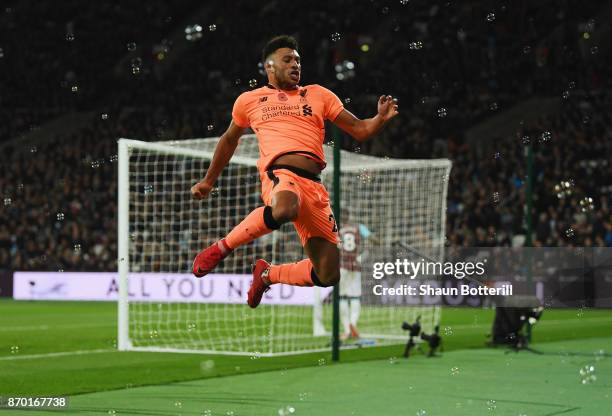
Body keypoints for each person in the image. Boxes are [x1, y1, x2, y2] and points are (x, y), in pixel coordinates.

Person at [190, 35, 398, 308]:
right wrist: (208, 180)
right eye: (287, 59)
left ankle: (267, 275)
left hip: (314, 187)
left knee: (328, 274)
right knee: (285, 208)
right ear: (269, 66)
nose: (295, 65)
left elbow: (360, 130)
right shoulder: (249, 101)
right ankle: (222, 248)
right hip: (280, 174)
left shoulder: (319, 94)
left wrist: (379, 119)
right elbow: (230, 139)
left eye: (298, 60)